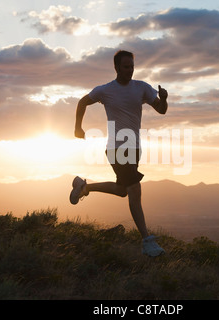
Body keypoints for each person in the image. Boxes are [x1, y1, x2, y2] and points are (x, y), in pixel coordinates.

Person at [71, 50, 168, 257]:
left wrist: (164, 99)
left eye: (132, 66)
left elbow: (161, 109)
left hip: (134, 149)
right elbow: (82, 102)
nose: (130, 70)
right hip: (116, 148)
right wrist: (78, 128)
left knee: (122, 190)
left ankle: (84, 187)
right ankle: (147, 241)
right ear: (116, 68)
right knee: (134, 190)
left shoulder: (141, 88)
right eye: (126, 67)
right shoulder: (105, 90)